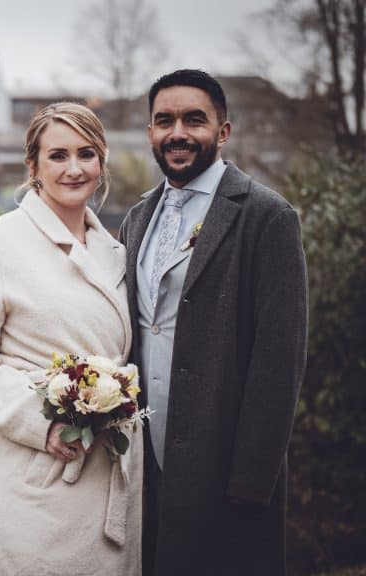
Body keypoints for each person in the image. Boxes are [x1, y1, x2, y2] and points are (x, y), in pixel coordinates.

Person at [0, 102, 142, 575]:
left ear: (102, 162)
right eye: (58, 155)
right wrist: (42, 424)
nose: (74, 169)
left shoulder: (116, 253)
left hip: (109, 465)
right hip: (33, 466)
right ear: (32, 165)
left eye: (87, 154)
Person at [118, 69, 307, 576]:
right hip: (147, 470)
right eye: (164, 121)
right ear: (151, 132)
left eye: (193, 119)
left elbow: (279, 359)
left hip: (225, 473)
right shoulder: (138, 217)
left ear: (223, 131)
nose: (177, 132)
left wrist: (250, 483)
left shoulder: (267, 217)